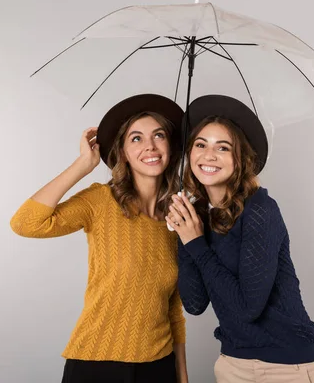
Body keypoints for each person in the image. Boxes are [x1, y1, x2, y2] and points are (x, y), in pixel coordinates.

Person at [10, 94, 188, 383]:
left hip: (159, 367)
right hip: (96, 364)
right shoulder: (101, 200)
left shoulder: (178, 218)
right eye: (136, 139)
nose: (150, 147)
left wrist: (182, 376)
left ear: (171, 146)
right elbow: (26, 223)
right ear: (123, 152)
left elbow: (173, 310)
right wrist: (83, 164)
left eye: (159, 135)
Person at [167, 95, 314, 383]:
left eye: (223, 147)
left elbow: (247, 309)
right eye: (200, 144)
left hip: (288, 366)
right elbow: (194, 303)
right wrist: (184, 230)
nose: (209, 155)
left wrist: (195, 244)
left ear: (240, 159)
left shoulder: (260, 210)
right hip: (233, 364)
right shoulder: (199, 217)